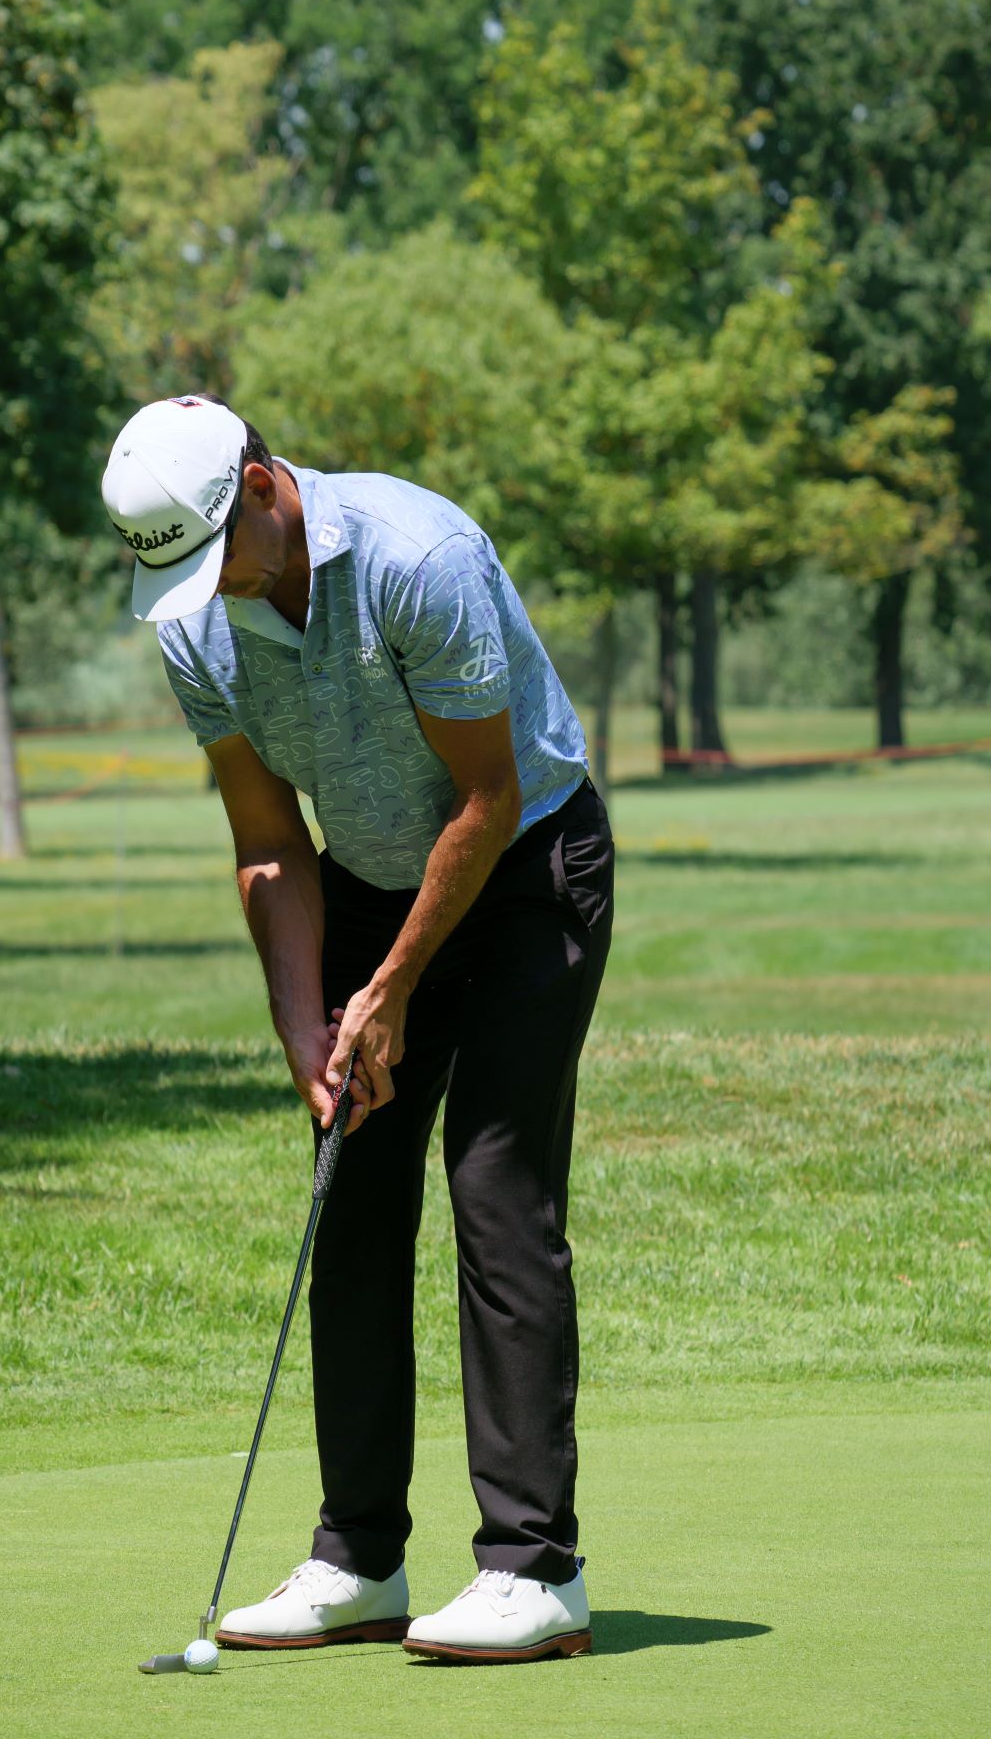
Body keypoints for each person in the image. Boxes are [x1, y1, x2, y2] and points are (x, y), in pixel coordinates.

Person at [101, 394, 614, 1663]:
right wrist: (305, 1025)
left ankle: (534, 1571)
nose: (208, 584)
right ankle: (358, 1557)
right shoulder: (200, 626)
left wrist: (388, 983)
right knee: (354, 1183)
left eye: (217, 549)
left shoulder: (414, 557)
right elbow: (270, 843)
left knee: (494, 1185)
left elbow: (489, 798)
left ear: (267, 487)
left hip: (528, 864)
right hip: (376, 880)